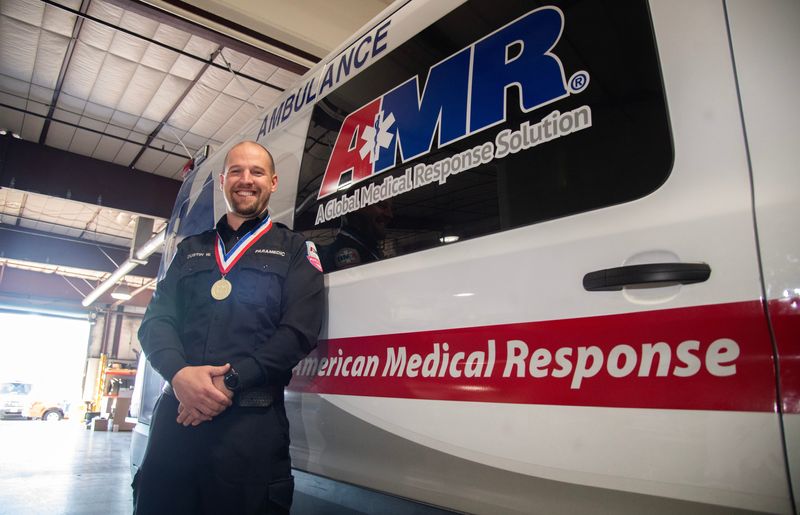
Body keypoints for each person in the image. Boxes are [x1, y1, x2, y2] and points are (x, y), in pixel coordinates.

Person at [133, 141, 324, 514]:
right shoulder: (190, 250)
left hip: (250, 430)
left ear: (272, 182)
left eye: (255, 172)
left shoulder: (296, 250)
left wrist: (228, 382)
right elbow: (156, 322)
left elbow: (299, 332)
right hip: (177, 421)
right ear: (223, 181)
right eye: (236, 171)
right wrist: (179, 374)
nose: (245, 180)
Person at [321, 199, 393, 270]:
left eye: (391, 209)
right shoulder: (344, 248)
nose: (390, 215)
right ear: (356, 207)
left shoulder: (365, 246)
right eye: (382, 206)